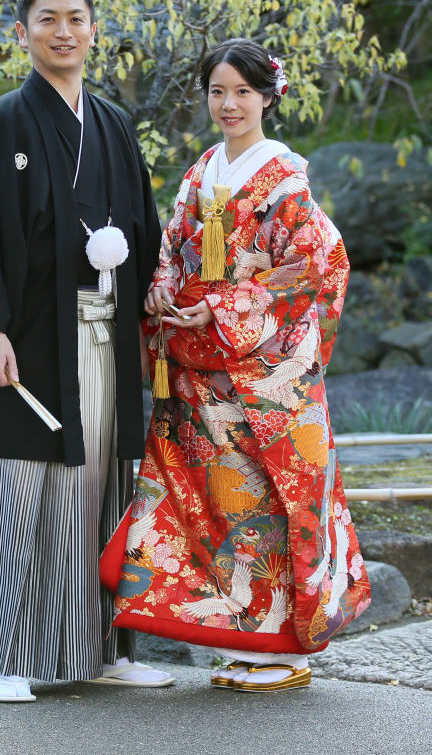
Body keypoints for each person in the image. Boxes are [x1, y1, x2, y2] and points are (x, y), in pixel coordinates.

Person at [100, 38, 371, 692]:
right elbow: (173, 248)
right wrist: (164, 290)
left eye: (243, 93)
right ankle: (249, 641)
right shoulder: (203, 172)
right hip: (202, 373)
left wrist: (223, 308)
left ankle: (287, 652)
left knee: (268, 504)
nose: (229, 104)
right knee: (220, 508)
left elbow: (316, 266)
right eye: (218, 91)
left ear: (269, 97)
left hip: (261, 375)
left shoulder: (284, 178)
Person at [0, 0, 172, 702]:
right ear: (22, 33)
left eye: (76, 17)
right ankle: (5, 658)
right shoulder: (2, 123)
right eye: (47, 19)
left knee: (106, 491)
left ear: (94, 30)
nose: (63, 31)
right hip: (31, 339)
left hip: (104, 334)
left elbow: (143, 231)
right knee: (21, 490)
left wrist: (147, 320)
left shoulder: (113, 124)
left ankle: (106, 648)